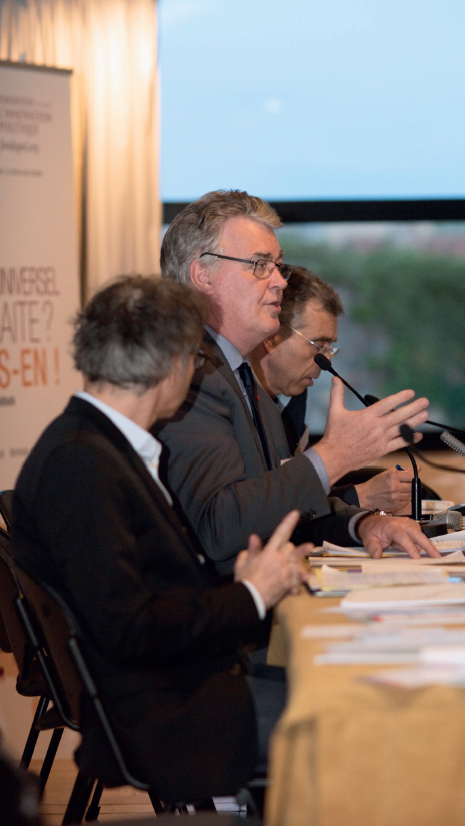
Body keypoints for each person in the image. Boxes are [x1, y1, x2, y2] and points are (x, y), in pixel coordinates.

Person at [11, 276, 310, 804]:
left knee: (340, 689)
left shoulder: (98, 447)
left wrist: (242, 589)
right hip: (168, 718)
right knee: (361, 715)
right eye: (197, 357)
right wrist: (250, 595)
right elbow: (131, 628)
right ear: (172, 363)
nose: (196, 371)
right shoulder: (81, 463)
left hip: (181, 692)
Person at [157, 189, 439, 574]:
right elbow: (220, 527)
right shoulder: (189, 375)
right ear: (202, 275)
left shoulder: (241, 376)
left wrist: (363, 523)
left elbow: (279, 504)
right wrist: (335, 456)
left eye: (278, 266)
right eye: (259, 265)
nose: (280, 282)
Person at [248, 265, 416, 512]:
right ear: (272, 336)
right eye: (318, 345)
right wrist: (357, 492)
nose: (326, 360)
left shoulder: (292, 404)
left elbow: (297, 496)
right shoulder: (236, 403)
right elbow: (260, 507)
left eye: (330, 348)